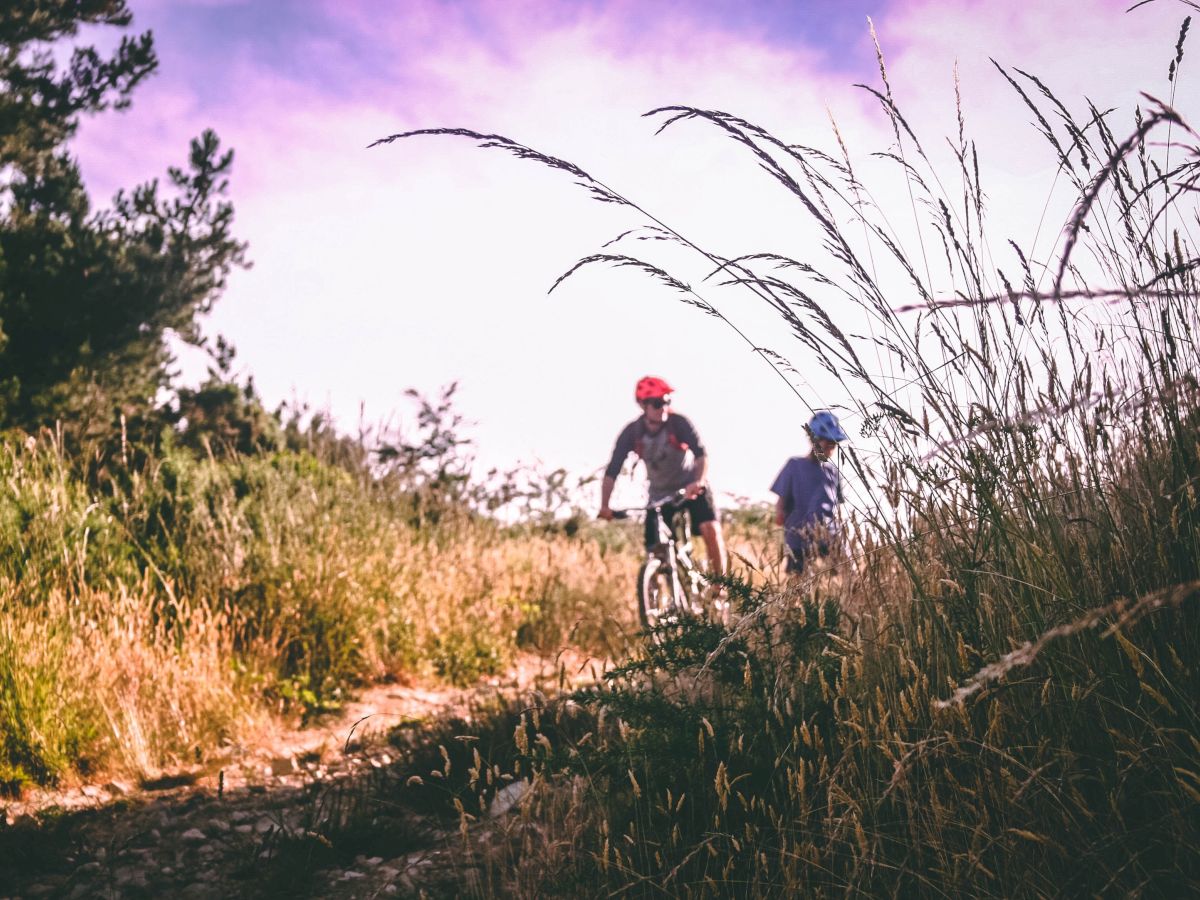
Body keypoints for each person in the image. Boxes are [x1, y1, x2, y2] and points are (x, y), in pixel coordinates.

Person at [598, 376, 726, 577]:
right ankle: (653, 599)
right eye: (658, 403)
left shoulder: (679, 423)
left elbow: (701, 455)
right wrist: (604, 506)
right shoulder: (632, 433)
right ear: (643, 405)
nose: (663, 408)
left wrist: (698, 481)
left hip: (690, 486)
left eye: (667, 402)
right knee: (654, 549)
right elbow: (611, 471)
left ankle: (721, 585)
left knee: (710, 529)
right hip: (659, 494)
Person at [770, 410, 848, 575]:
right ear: (814, 440)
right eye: (826, 443)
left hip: (829, 535)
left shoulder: (833, 472)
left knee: (845, 574)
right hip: (799, 536)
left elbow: (838, 507)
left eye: (834, 444)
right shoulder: (794, 465)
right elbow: (781, 502)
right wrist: (780, 516)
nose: (830, 448)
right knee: (798, 579)